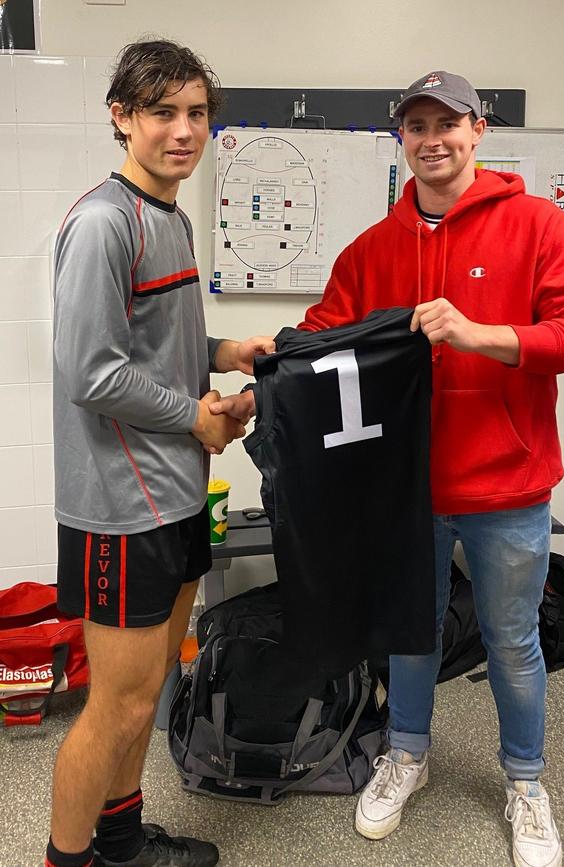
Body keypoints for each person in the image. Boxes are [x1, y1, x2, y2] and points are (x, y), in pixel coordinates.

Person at [215, 70, 564, 867]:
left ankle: (526, 781)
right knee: (408, 631)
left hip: (508, 484)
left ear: (477, 130)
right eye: (416, 124)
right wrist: (254, 394)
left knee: (511, 640)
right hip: (401, 491)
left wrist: (484, 334)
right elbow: (320, 349)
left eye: (448, 122)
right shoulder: (373, 250)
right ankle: (406, 752)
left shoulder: (538, 227)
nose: (433, 138)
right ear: (402, 137)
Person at [48, 39, 274, 867]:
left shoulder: (168, 217)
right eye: (162, 112)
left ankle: (120, 843)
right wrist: (198, 419)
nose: (183, 130)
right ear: (122, 117)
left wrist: (222, 352)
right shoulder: (104, 223)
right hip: (120, 504)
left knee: (146, 699)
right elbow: (91, 372)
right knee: (115, 704)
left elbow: (147, 344)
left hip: (175, 494)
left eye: (196, 113)